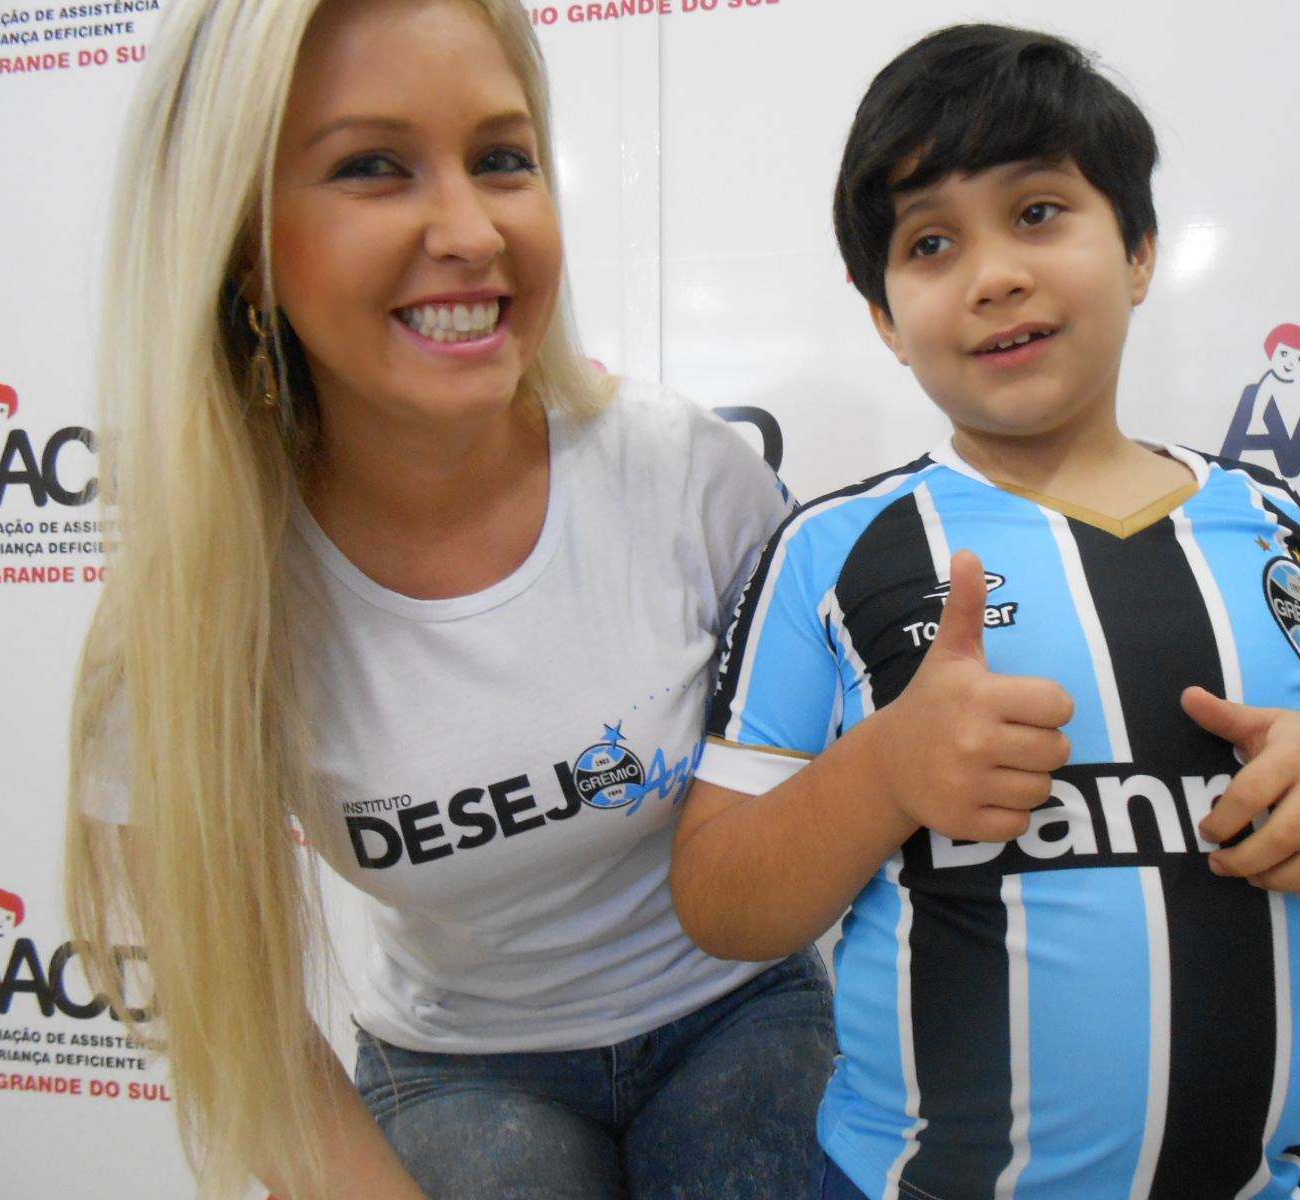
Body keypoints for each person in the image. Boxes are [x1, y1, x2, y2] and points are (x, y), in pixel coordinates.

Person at [64, 1, 831, 1198]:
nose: (472, 231)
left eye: (501, 159)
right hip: (457, 1070)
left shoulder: (686, 474)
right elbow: (231, 1023)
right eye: (373, 167)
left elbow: (891, 748)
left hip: (742, 1010)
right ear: (246, 245)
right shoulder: (190, 610)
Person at [671, 25, 1300, 1200]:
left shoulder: (1270, 524)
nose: (993, 275)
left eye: (1038, 213)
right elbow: (720, 902)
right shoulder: (835, 551)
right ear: (881, 313)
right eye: (930, 243)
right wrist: (881, 774)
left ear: (1137, 249)